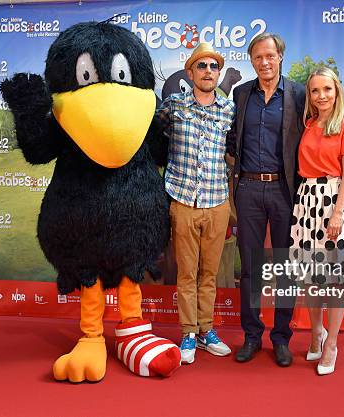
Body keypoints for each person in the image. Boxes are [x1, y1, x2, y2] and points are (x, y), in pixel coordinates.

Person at [227, 33, 306, 367]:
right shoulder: (241, 93)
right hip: (248, 189)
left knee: (287, 266)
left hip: (285, 190)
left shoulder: (299, 94)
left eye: (270, 56)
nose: (264, 62)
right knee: (251, 268)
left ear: (280, 57)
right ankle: (251, 336)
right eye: (258, 57)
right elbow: (232, 139)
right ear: (252, 60)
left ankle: (281, 338)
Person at [157, 42, 235, 364]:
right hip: (183, 200)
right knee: (186, 273)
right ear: (190, 73)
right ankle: (188, 333)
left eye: (213, 66)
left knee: (209, 273)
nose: (207, 72)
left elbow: (234, 151)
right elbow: (151, 141)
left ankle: (207, 331)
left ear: (218, 73)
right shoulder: (173, 105)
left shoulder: (229, 111)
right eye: (201, 66)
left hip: (217, 202)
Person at [289, 66, 344, 375]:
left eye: (327, 89)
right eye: (315, 90)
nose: (322, 95)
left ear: (337, 91)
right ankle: (316, 334)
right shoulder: (308, 124)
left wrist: (337, 212)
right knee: (310, 278)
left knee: (334, 280)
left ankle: (332, 344)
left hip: (336, 202)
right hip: (307, 201)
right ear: (309, 95)